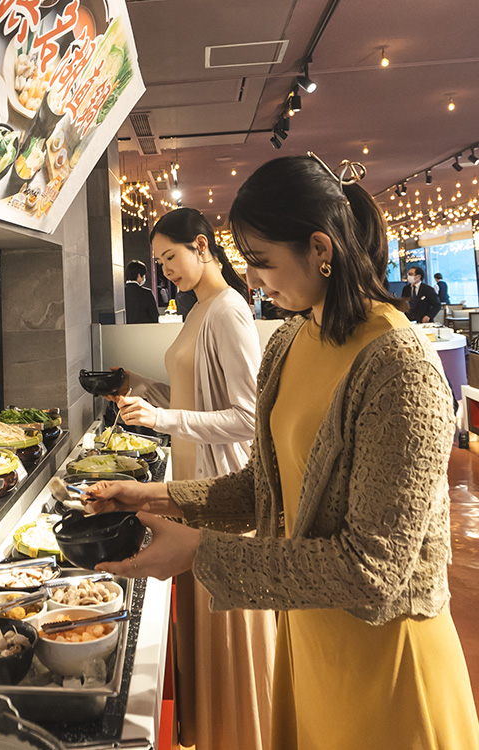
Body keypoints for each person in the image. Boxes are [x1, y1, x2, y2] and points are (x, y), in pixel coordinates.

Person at [87, 154, 479, 748]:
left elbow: (372, 571)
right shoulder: (293, 340)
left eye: (263, 261)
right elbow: (264, 487)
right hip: (307, 637)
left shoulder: (401, 367)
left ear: (321, 249)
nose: (253, 277)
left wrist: (200, 553)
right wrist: (155, 494)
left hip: (387, 667)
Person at [109, 207, 275, 750]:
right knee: (202, 632)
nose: (166, 271)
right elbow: (189, 393)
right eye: (158, 263)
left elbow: (247, 417)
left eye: (171, 258)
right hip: (191, 489)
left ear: (202, 246)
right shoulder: (197, 310)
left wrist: (161, 419)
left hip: (221, 491)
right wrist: (138, 385)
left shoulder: (228, 310)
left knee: (227, 638)